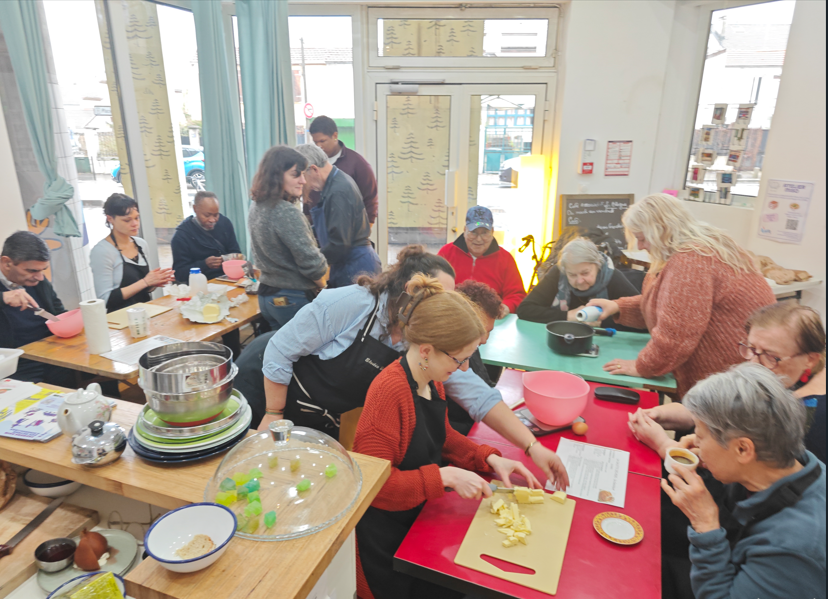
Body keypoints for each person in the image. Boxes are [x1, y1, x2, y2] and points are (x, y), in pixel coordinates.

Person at [260, 245, 569, 487]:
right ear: (411, 289)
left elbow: (477, 394)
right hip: (277, 395)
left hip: (332, 417)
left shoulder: (421, 341)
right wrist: (272, 415)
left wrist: (531, 446)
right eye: (437, 297)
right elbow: (279, 351)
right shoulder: (349, 305)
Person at [353, 274, 542, 599]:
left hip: (420, 521)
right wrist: (445, 476)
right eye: (460, 359)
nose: (467, 368)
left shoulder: (431, 379)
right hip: (388, 542)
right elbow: (376, 488)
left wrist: (489, 457)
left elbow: (440, 437)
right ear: (426, 350)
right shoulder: (388, 392)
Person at [661, 363, 825, 599]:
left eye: (700, 436)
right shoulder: (788, 464)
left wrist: (706, 526)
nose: (694, 443)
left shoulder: (792, 548)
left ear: (742, 449)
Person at [589, 193, 775, 398]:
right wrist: (618, 307)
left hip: (729, 386)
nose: (640, 246)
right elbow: (669, 305)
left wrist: (642, 367)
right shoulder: (700, 246)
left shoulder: (691, 260)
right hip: (737, 375)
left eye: (642, 238)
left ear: (661, 230)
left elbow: (675, 336)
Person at [631, 300, 827, 463]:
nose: (754, 363)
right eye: (750, 348)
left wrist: (664, 445)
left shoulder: (811, 420)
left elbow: (742, 474)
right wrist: (660, 413)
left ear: (810, 359)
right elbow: (716, 408)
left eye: (770, 356)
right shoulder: (772, 377)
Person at [248, 145, 329, 330]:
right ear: (276, 176)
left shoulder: (257, 205)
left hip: (267, 296)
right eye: (295, 175)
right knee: (310, 357)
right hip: (291, 298)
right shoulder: (285, 212)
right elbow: (312, 265)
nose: (303, 180)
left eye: (303, 174)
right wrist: (323, 286)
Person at [295, 144, 380, 288]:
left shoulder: (338, 191)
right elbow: (329, 225)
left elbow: (340, 244)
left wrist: (312, 262)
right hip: (347, 262)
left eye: (302, 175)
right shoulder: (333, 183)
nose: (302, 182)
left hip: (356, 266)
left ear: (314, 169)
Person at [517, 237, 639, 331]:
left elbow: (644, 320)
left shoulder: (613, 277)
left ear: (597, 265)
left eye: (585, 273)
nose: (580, 281)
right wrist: (568, 316)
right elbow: (525, 310)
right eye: (572, 275)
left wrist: (602, 322)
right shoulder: (558, 273)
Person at [0, 231, 74, 384]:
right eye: (32, 271)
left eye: (43, 270)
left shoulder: (38, 280)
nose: (40, 277)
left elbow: (57, 312)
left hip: (53, 354)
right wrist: (3, 297)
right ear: (6, 263)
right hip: (17, 364)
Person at [90, 194, 174, 312]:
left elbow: (142, 288)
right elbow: (106, 299)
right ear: (110, 219)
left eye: (137, 218)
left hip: (145, 311)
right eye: (127, 220)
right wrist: (145, 282)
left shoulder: (141, 244)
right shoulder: (102, 251)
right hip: (120, 318)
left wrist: (154, 282)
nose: (135, 224)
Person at [438, 206, 526, 318]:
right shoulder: (446, 253)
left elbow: (517, 295)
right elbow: (432, 285)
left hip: (490, 319)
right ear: (465, 230)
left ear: (492, 232)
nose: (479, 239)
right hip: (452, 316)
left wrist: (506, 307)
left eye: (484, 233)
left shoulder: (505, 259)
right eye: (474, 232)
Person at [448, 279, 502, 435]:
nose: (484, 340)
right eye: (482, 332)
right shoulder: (441, 361)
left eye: (489, 332)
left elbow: (485, 384)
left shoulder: (472, 344)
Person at [308, 115, 378, 225]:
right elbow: (308, 197)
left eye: (322, 141)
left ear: (335, 136)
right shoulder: (312, 163)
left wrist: (366, 228)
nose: (318, 146)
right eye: (315, 142)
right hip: (317, 230)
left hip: (348, 230)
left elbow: (370, 199)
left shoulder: (357, 163)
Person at [171, 191, 242, 283]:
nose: (212, 220)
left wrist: (227, 259)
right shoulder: (182, 236)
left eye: (216, 215)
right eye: (207, 215)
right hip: (200, 284)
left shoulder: (225, 223)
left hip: (227, 279)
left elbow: (236, 253)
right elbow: (180, 274)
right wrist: (204, 264)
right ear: (195, 209)